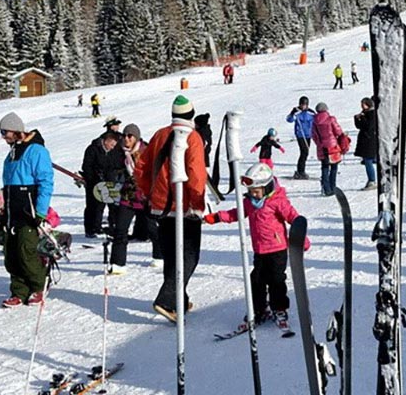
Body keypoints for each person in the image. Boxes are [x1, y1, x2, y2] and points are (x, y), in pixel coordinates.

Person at [203, 163, 306, 332]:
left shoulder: (277, 201)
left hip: (277, 249)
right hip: (260, 250)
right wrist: (217, 217)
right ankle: (259, 310)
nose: (253, 194)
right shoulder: (250, 202)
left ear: (267, 187)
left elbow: (294, 218)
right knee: (256, 280)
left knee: (276, 280)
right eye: (251, 191)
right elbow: (236, 213)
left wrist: (300, 238)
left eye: (256, 191)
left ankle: (279, 309)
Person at [135, 95, 209, 321]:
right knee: (189, 255)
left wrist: (150, 193)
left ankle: (180, 299)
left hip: (160, 206)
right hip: (184, 206)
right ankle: (167, 300)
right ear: (191, 114)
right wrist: (198, 204)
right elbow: (196, 173)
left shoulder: (160, 134)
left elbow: (141, 167)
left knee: (171, 255)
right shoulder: (192, 137)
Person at [0, 112, 56, 306]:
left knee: (26, 251)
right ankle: (19, 290)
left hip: (28, 212)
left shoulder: (36, 151)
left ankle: (38, 286)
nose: (3, 136)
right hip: (12, 211)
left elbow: (45, 181)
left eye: (5, 132)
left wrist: (40, 211)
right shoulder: (12, 153)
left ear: (16, 130)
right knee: (11, 253)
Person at [109, 124, 155, 274]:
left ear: (137, 137)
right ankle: (117, 264)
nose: (126, 139)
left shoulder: (146, 151)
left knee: (152, 228)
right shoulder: (119, 152)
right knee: (120, 229)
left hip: (145, 197)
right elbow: (112, 169)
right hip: (127, 196)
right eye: (125, 135)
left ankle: (159, 256)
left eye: (130, 136)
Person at [82, 121, 126, 239]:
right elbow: (87, 166)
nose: (113, 147)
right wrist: (94, 179)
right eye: (111, 145)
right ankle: (91, 229)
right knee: (94, 206)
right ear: (106, 141)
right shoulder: (93, 149)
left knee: (113, 205)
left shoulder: (114, 151)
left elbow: (117, 164)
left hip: (110, 180)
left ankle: (113, 226)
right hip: (94, 182)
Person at [311, 102, 346, 197]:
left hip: (322, 148)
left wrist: (319, 144)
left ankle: (326, 189)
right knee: (334, 167)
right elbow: (338, 131)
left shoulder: (314, 121)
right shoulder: (331, 119)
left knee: (325, 167)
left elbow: (314, 135)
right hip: (332, 146)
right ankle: (333, 186)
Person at [285, 96, 316, 180]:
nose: (303, 106)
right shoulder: (297, 112)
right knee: (304, 151)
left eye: (305, 105)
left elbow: (316, 120)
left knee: (306, 152)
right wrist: (292, 113)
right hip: (300, 134)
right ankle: (300, 171)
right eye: (302, 105)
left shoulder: (311, 113)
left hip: (308, 135)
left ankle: (301, 170)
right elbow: (289, 119)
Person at [353, 97, 378, 190]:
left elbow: (368, 126)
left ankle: (372, 180)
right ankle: (370, 180)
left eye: (363, 104)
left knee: (368, 161)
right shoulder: (365, 113)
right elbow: (359, 126)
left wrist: (362, 118)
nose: (362, 106)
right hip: (365, 141)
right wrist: (357, 118)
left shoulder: (372, 114)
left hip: (370, 141)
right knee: (367, 161)